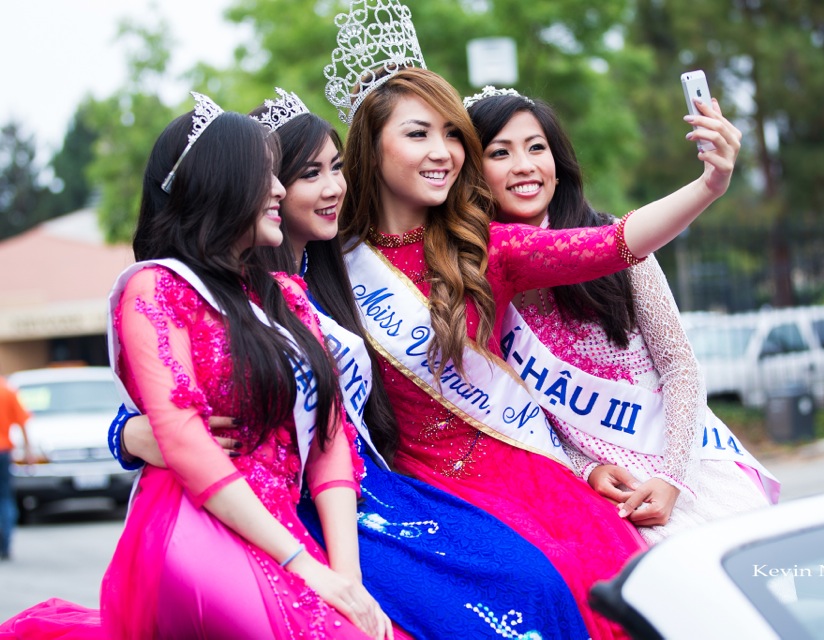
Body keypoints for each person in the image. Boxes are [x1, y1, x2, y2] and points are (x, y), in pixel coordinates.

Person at [321, 2, 743, 637]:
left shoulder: (483, 246)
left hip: (518, 467)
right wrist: (128, 436)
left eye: (451, 135)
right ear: (368, 145)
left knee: (597, 575)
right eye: (417, 134)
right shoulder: (325, 263)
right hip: (414, 489)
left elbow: (616, 242)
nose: (443, 153)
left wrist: (708, 184)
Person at [114, 87, 591, 640]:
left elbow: (336, 425)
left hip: (372, 490)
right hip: (284, 511)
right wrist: (128, 434)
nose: (332, 188)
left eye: (337, 168)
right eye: (307, 174)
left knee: (531, 579)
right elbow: (167, 404)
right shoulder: (215, 289)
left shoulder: (335, 274)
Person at [2, 93, 392, 640]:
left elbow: (329, 437)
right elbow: (182, 436)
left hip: (279, 526)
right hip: (193, 521)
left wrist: (346, 581)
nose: (279, 188)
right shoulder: (156, 288)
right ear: (222, 183)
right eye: (266, 175)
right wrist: (304, 567)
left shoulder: (286, 295)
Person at [465, 87, 778, 547]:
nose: (525, 165)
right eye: (500, 152)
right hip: (595, 491)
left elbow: (679, 366)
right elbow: (516, 415)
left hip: (684, 466)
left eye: (537, 147)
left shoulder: (613, 239)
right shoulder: (475, 277)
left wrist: (673, 477)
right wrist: (586, 468)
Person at [0, 374, 31, 561]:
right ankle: (5, 543)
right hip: (3, 451)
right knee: (4, 497)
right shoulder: (7, 389)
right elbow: (22, 422)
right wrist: (28, 450)